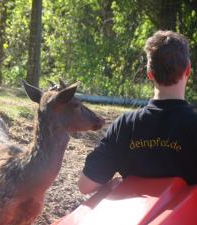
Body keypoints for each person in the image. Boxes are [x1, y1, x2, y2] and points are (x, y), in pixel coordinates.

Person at [78, 30, 197, 194]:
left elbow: (86, 185)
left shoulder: (125, 125)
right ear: (188, 70)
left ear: (149, 73)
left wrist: (116, 185)